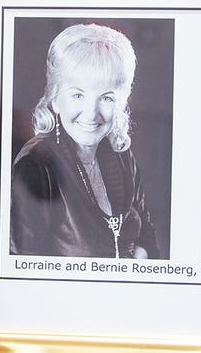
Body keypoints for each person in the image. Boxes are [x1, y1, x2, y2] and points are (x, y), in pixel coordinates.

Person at [9, 23, 160, 259]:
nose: (91, 113)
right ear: (55, 99)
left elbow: (147, 234)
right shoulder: (36, 166)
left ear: (121, 104)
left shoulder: (120, 155)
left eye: (107, 98)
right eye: (78, 95)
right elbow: (22, 267)